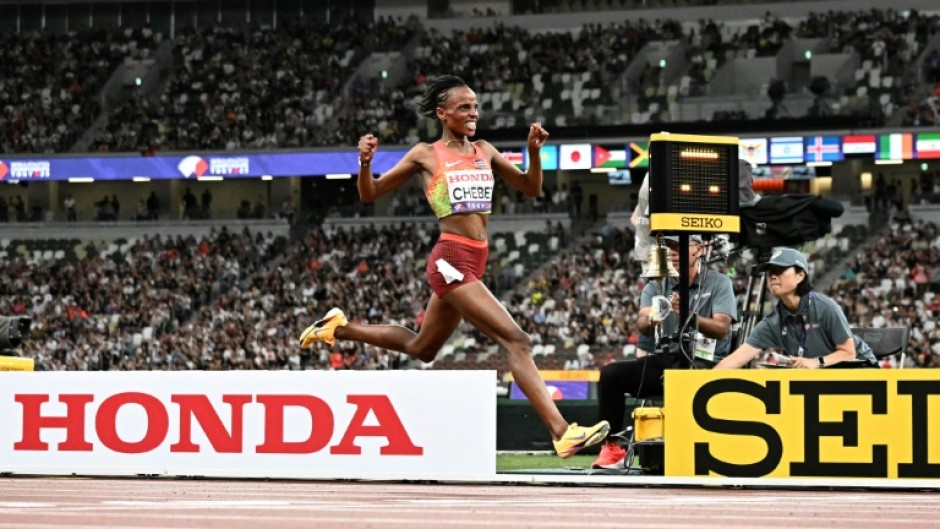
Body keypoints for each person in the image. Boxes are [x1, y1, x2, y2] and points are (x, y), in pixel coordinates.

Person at [299, 75, 609, 458]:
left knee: (422, 347)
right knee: (517, 341)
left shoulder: (485, 150)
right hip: (450, 260)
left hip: (474, 262)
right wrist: (364, 163)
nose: (473, 113)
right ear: (442, 114)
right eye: (464, 107)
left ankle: (338, 329)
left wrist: (533, 152)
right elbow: (370, 193)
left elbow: (531, 188)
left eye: (475, 106)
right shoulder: (425, 155)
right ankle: (562, 432)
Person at [592, 234, 736, 469]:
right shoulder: (657, 284)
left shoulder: (719, 282)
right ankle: (613, 449)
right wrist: (652, 318)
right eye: (669, 248)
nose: (674, 253)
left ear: (698, 250)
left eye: (680, 247)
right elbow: (642, 323)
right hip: (668, 358)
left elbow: (721, 329)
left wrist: (689, 316)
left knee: (681, 369)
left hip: (707, 364)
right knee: (611, 375)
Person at [715, 247, 876, 369]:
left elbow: (849, 353)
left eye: (780, 269)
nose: (772, 276)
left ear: (801, 275)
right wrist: (700, 381)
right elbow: (737, 358)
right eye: (770, 271)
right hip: (824, 377)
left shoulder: (826, 308)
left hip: (862, 371)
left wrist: (816, 362)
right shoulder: (774, 320)